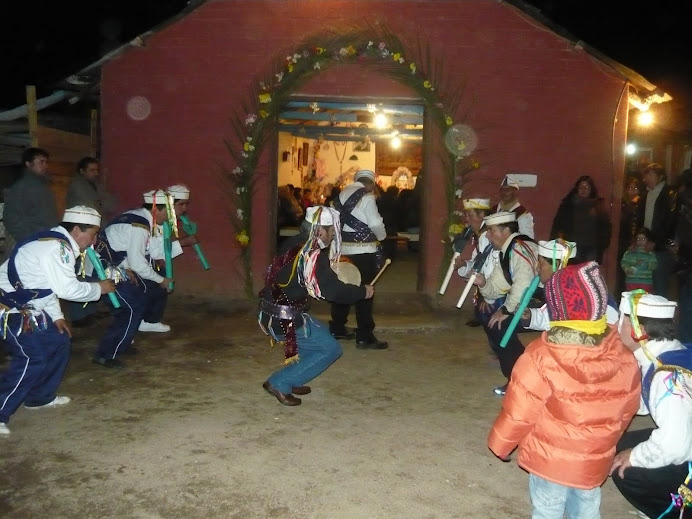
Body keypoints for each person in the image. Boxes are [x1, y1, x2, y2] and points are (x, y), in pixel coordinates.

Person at [488, 262, 641, 519]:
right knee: (586, 507)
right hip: (593, 459)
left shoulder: (540, 355)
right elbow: (628, 407)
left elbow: (519, 411)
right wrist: (607, 437)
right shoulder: (623, 355)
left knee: (547, 509)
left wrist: (500, 444)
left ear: (558, 309)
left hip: (550, 460)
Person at [0, 206, 116, 436]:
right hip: (10, 311)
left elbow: (45, 286)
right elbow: (67, 289)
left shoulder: (59, 244)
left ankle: (39, 398)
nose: (93, 242)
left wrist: (57, 317)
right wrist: (99, 289)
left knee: (59, 340)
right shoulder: (57, 248)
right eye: (92, 234)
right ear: (76, 230)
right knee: (32, 358)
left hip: (31, 308)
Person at [259, 206, 374, 406]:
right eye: (331, 232)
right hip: (285, 318)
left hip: (272, 311)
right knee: (330, 349)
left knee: (319, 336)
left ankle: (295, 377)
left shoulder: (294, 243)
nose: (332, 237)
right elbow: (334, 291)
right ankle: (280, 382)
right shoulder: (311, 255)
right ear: (320, 231)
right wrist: (362, 292)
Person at [611, 292, 692, 519]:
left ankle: (671, 511)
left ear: (639, 331)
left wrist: (636, 457)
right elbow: (645, 403)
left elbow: (675, 444)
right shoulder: (670, 352)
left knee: (626, 470)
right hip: (686, 436)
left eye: (623, 320)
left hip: (685, 448)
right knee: (621, 444)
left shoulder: (667, 378)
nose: (618, 327)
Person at [91, 190, 174, 368]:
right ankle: (105, 354)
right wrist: (161, 280)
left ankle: (123, 342)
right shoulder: (140, 226)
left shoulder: (134, 216)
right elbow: (138, 262)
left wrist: (126, 267)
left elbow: (121, 246)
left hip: (115, 266)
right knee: (129, 309)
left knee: (137, 299)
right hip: (102, 270)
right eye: (167, 212)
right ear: (155, 210)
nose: (168, 217)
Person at [470, 211, 538, 395]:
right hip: (531, 302)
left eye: (491, 231)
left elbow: (524, 284)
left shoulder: (520, 249)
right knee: (493, 321)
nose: (488, 235)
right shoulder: (509, 250)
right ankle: (520, 376)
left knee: (500, 325)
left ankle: (521, 378)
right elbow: (496, 285)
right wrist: (483, 283)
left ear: (506, 230)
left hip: (545, 304)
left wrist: (506, 310)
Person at [330, 169, 388, 349]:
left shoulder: (339, 196)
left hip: (343, 251)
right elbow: (376, 223)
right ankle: (364, 335)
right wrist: (382, 236)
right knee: (365, 292)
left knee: (342, 287)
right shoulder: (367, 197)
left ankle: (338, 327)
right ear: (371, 184)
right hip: (364, 252)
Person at [523, 239, 621, 332]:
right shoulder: (562, 288)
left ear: (556, 265)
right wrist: (531, 316)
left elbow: (612, 325)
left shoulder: (584, 289)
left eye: (540, 263)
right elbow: (553, 317)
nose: (537, 268)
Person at [2, 147, 58, 257]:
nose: (45, 166)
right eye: (41, 162)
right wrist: (29, 239)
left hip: (46, 241)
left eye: (46, 162)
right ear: (28, 164)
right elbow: (11, 218)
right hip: (30, 245)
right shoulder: (20, 188)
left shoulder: (44, 186)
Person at [454, 198, 498, 327]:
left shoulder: (487, 236)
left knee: (489, 319)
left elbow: (492, 268)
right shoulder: (480, 235)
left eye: (470, 215)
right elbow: (477, 263)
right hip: (488, 284)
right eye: (466, 215)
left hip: (498, 286)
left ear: (482, 216)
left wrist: (486, 295)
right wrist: (464, 265)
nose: (466, 219)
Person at [550, 175, 612, 264]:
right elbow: (558, 224)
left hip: (592, 248)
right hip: (572, 247)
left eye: (586, 187)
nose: (583, 190)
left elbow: (605, 227)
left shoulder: (598, 206)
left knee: (589, 273)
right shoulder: (568, 205)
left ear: (591, 189)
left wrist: (603, 244)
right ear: (577, 189)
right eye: (581, 187)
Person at [642, 163, 678, 296]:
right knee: (645, 281)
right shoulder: (646, 194)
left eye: (651, 175)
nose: (648, 178)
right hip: (645, 243)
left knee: (660, 282)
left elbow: (670, 222)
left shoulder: (669, 194)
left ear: (660, 176)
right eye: (646, 175)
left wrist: (656, 241)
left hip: (661, 247)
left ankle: (660, 314)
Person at [617, 176, 645, 295]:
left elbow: (636, 226)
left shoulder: (640, 205)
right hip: (623, 243)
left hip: (635, 243)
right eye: (630, 188)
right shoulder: (622, 205)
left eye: (635, 188)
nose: (632, 191)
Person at [496, 174, 534, 238]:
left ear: (515, 192)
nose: (504, 193)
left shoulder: (522, 214)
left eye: (507, 190)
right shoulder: (494, 210)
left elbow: (527, 239)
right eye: (501, 190)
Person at [620, 227, 657, 292]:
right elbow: (624, 262)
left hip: (645, 282)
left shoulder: (650, 253)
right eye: (638, 239)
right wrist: (627, 269)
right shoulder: (630, 252)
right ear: (635, 240)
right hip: (631, 281)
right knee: (631, 299)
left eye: (643, 239)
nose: (640, 241)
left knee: (644, 300)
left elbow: (654, 265)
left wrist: (646, 264)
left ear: (648, 240)